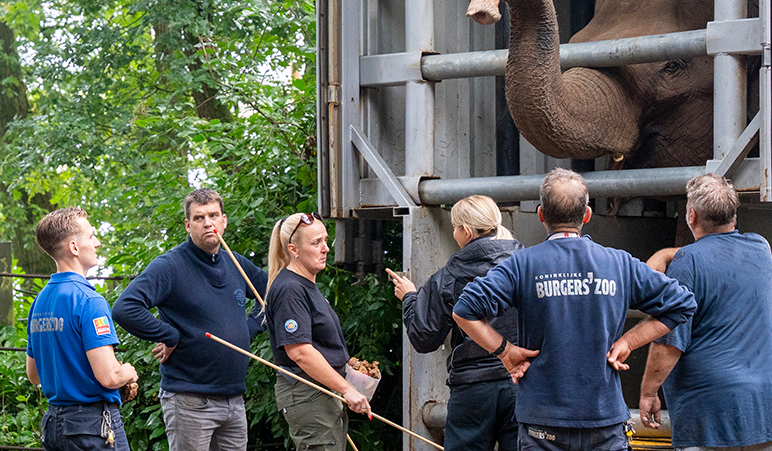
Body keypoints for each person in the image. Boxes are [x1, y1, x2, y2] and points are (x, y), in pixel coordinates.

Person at [452, 168, 697, 451]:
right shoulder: (618, 263)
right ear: (587, 215)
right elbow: (682, 304)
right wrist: (629, 341)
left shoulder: (522, 264)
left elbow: (464, 310)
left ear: (541, 214)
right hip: (603, 421)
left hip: (543, 424)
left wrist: (505, 351)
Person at [634, 173, 772, 450]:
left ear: (691, 216)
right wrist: (673, 254)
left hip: (710, 416)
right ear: (733, 214)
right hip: (764, 410)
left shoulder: (688, 263)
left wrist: (648, 392)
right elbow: (719, 250)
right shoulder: (761, 248)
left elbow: (669, 341)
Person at [112, 188, 267, 451]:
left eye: (213, 215)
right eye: (199, 217)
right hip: (190, 400)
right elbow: (125, 308)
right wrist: (169, 335)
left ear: (224, 221)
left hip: (235, 400)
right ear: (188, 225)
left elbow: (272, 296)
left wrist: (249, 328)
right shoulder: (170, 266)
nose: (208, 222)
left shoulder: (236, 263)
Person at [387, 195, 524, 451]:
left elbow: (424, 336)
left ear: (467, 231)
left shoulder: (450, 275)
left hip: (473, 387)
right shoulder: (525, 264)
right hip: (521, 382)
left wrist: (409, 298)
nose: (453, 232)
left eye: (454, 227)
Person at [26, 207, 139, 451]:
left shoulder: (40, 301)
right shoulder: (89, 301)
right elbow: (109, 377)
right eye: (91, 236)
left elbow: (34, 375)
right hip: (91, 429)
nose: (97, 242)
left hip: (54, 426)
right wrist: (128, 372)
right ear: (74, 248)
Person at [263, 211, 371, 451]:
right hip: (308, 393)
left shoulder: (307, 284)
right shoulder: (290, 288)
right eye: (315, 243)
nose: (325, 248)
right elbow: (299, 352)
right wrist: (346, 389)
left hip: (324, 392)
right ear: (293, 249)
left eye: (325, 240)